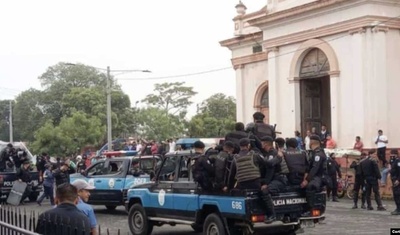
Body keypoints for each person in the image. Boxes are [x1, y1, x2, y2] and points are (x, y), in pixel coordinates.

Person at [228, 138, 275, 223]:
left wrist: (228, 188)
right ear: (249, 145)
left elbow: (231, 176)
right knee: (264, 192)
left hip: (242, 186)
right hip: (255, 185)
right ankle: (271, 214)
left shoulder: (235, 158)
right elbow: (266, 164)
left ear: (240, 147)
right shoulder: (254, 155)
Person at [302, 135, 327, 217]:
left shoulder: (318, 154)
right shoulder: (315, 152)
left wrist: (307, 180)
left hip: (319, 177)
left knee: (310, 186)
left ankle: (311, 209)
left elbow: (314, 168)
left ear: (312, 142)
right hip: (316, 176)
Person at [390, 149, 400, 215]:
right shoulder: (393, 160)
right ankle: (398, 208)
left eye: (393, 154)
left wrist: (398, 180)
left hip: (397, 180)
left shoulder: (398, 161)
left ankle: (398, 209)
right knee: (395, 195)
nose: (392, 156)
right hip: (393, 179)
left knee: (397, 195)